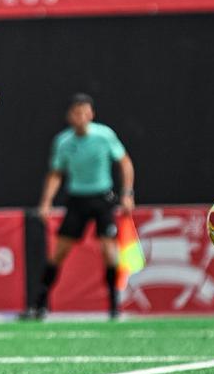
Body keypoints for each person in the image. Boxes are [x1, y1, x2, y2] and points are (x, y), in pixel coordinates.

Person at [29, 93, 136, 319]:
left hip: (102, 199)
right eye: (77, 113)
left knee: (110, 253)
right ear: (70, 116)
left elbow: (125, 163)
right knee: (59, 252)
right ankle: (40, 304)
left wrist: (127, 193)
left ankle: (114, 306)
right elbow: (56, 174)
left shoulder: (104, 136)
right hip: (77, 200)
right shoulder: (63, 141)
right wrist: (46, 202)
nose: (81, 117)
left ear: (92, 115)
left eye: (86, 112)